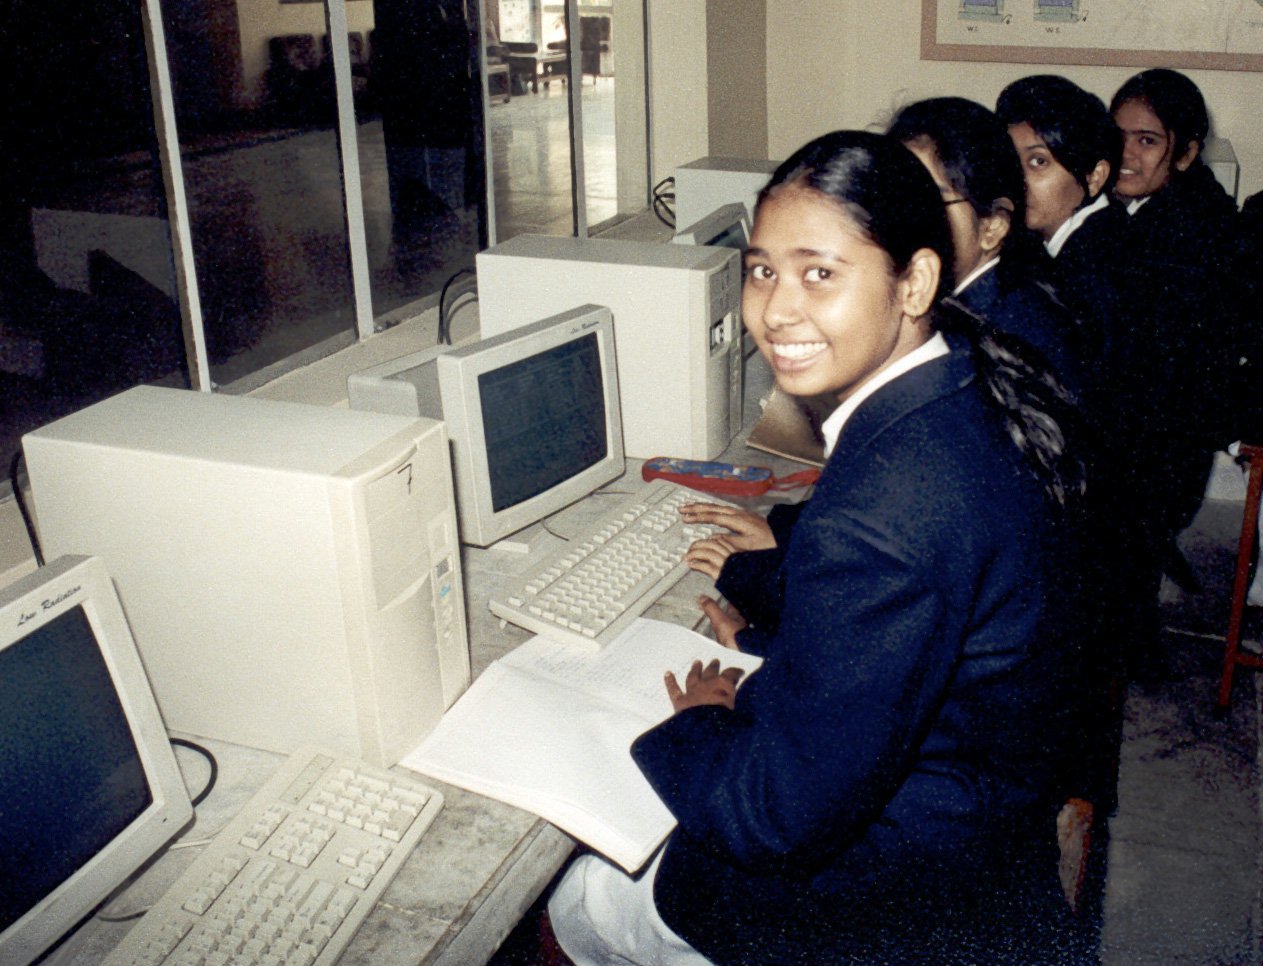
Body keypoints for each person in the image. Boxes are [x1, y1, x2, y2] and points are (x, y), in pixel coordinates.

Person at [547, 130, 1087, 963]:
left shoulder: (885, 506)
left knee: (583, 890)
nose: (775, 310)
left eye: (819, 274)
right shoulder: (964, 389)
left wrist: (702, 723)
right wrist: (782, 650)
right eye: (762, 270)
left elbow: (772, 821)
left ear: (914, 282)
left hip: (899, 899)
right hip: (972, 828)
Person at [1107, 68, 1243, 561]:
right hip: (1146, 436)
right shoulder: (1147, 208)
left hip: (1159, 454)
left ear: (1185, 153)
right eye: (1117, 136)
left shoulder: (1194, 232)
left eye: (1146, 140)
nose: (1125, 153)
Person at [887, 95, 1084, 396]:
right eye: (896, 196)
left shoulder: (1011, 334)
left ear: (992, 226)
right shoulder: (955, 303)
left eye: (931, 202)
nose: (906, 220)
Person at [995, 75, 1122, 412]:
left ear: (1095, 177)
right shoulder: (1079, 241)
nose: (1018, 181)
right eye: (1012, 161)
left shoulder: (1096, 267)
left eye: (1039, 162)